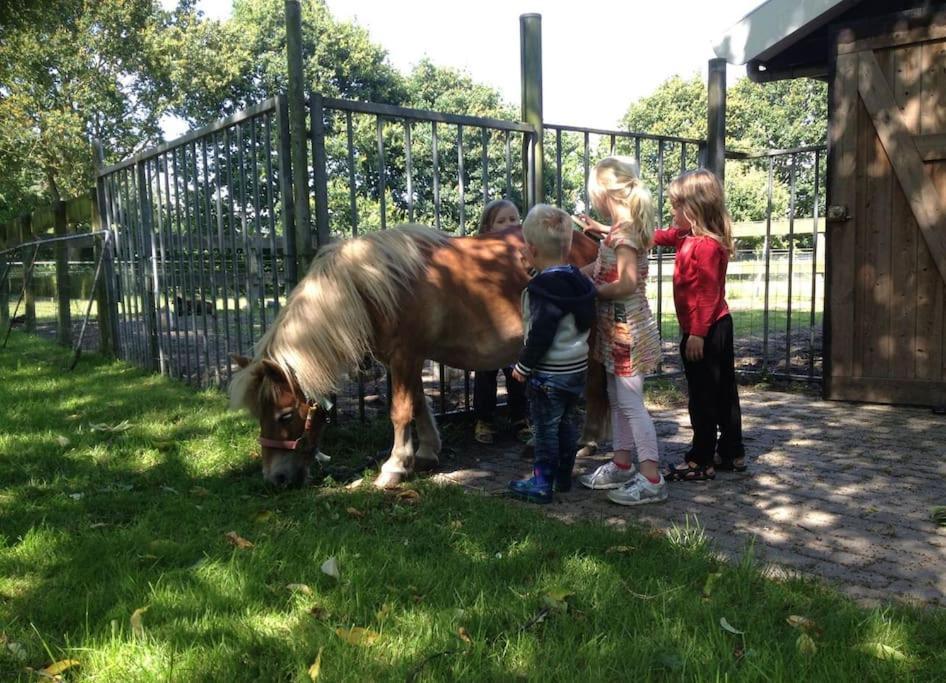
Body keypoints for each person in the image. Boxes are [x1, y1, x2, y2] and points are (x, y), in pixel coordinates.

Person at [574, 156, 668, 506]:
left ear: (605, 193)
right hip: (614, 327)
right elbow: (602, 265)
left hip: (626, 328)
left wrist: (591, 291)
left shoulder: (625, 233)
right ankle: (622, 463)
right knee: (617, 399)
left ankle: (651, 477)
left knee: (630, 404)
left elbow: (626, 283)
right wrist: (574, 275)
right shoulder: (619, 229)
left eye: (593, 193)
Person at [654, 168, 746, 480]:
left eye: (677, 205)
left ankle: (700, 460)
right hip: (715, 326)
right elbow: (657, 236)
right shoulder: (687, 236)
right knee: (723, 392)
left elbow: (708, 293)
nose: (672, 211)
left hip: (705, 329)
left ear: (696, 207)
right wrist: (613, 229)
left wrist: (696, 333)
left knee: (703, 396)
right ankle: (732, 453)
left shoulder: (705, 245)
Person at [508, 204, 596, 504]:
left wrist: (523, 365)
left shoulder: (540, 290)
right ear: (569, 244)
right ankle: (563, 477)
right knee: (568, 424)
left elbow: (541, 334)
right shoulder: (579, 281)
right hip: (575, 369)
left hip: (548, 374)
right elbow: (583, 317)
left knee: (545, 429)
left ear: (530, 249)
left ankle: (541, 483)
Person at [472, 199, 530, 444]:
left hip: (516, 325)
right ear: (488, 228)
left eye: (514, 220)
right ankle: (484, 420)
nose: (509, 225)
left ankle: (521, 418)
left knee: (517, 374)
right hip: (488, 327)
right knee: (485, 375)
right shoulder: (477, 254)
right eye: (502, 221)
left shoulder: (525, 252)